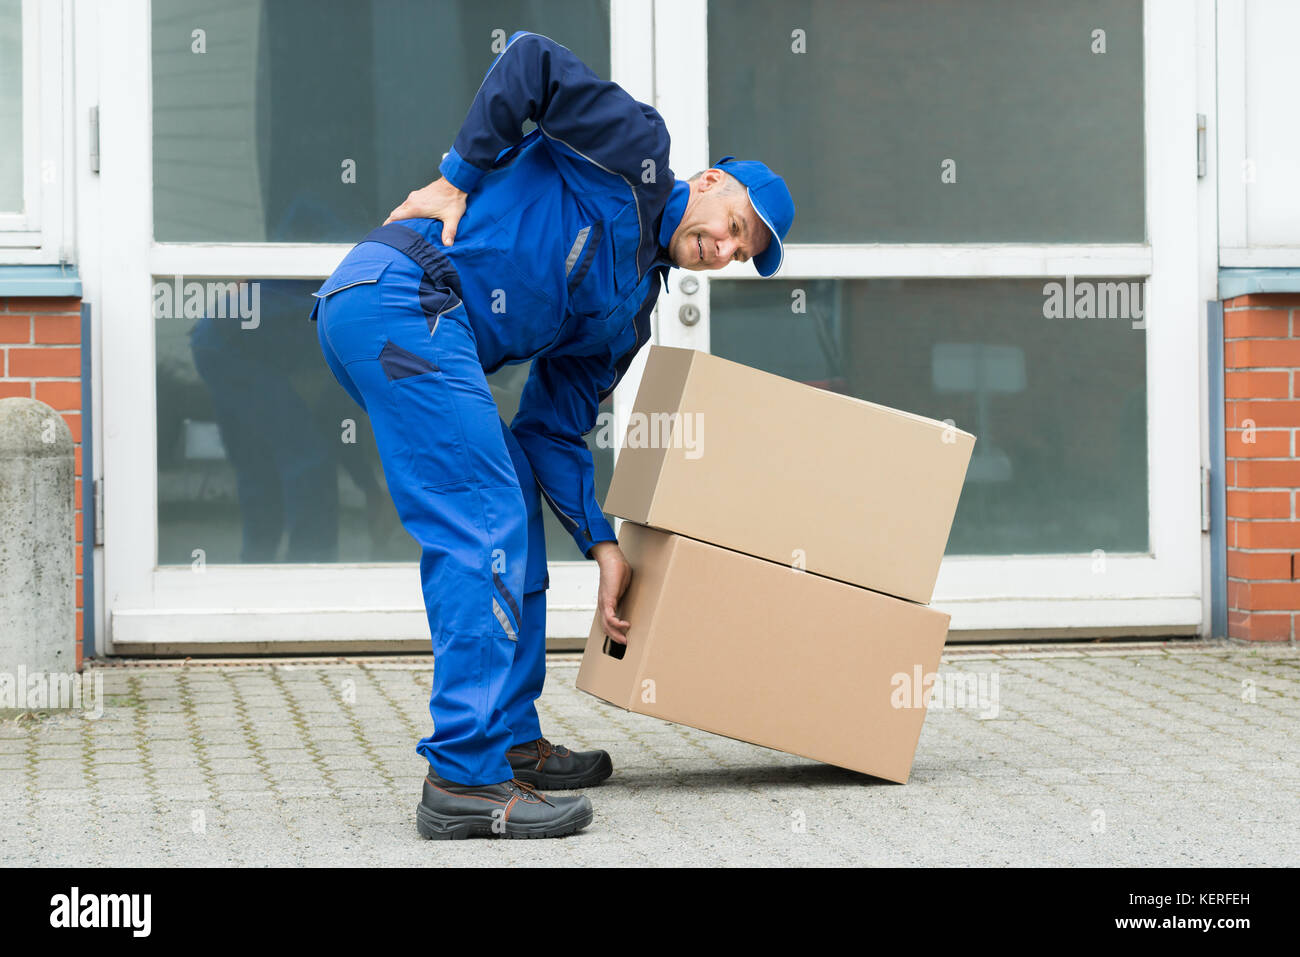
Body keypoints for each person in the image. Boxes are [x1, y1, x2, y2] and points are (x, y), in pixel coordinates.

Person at [312, 30, 794, 840]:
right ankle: (463, 778)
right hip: (398, 295)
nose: (725, 249)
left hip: (426, 324)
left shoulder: (628, 313)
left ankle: (510, 742)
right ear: (711, 183)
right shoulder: (637, 150)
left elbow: (552, 430)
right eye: (734, 224)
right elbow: (528, 61)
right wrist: (453, 178)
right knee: (484, 514)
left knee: (512, 500)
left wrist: (602, 543)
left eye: (741, 252)